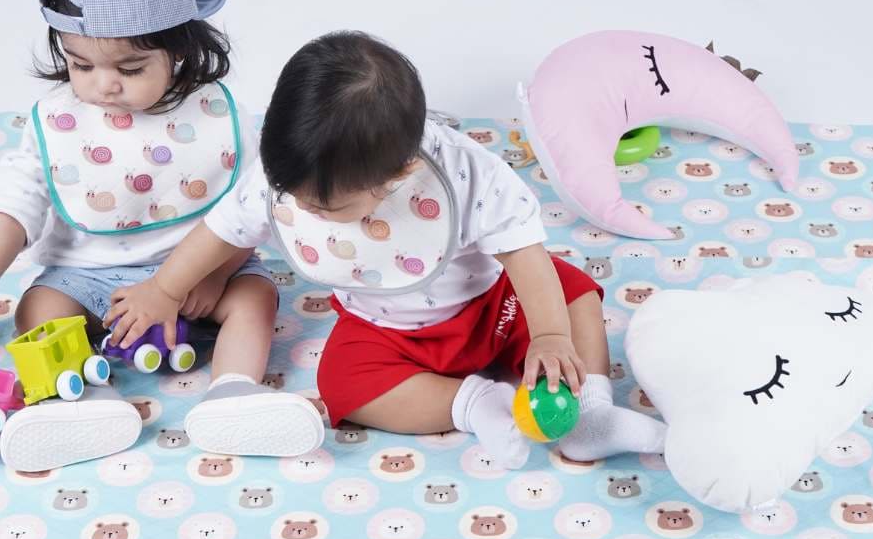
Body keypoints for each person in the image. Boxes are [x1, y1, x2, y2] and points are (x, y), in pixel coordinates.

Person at [106, 31, 665, 469]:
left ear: (400, 173)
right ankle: (476, 405)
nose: (309, 211)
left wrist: (547, 335)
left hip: (495, 310)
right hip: (385, 329)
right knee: (343, 381)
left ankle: (590, 414)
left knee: (568, 292)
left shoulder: (466, 175)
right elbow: (221, 230)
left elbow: (523, 255)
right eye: (298, 198)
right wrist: (164, 288)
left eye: (328, 209)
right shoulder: (289, 171)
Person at [0, 0, 324, 470]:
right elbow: (15, 204)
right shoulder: (59, 121)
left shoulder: (217, 116)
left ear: (180, 49)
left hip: (202, 270)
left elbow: (252, 206)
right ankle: (84, 401)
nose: (102, 84)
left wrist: (216, 272)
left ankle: (233, 394)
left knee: (255, 297)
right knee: (39, 307)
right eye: (80, 64)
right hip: (86, 278)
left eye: (130, 67)